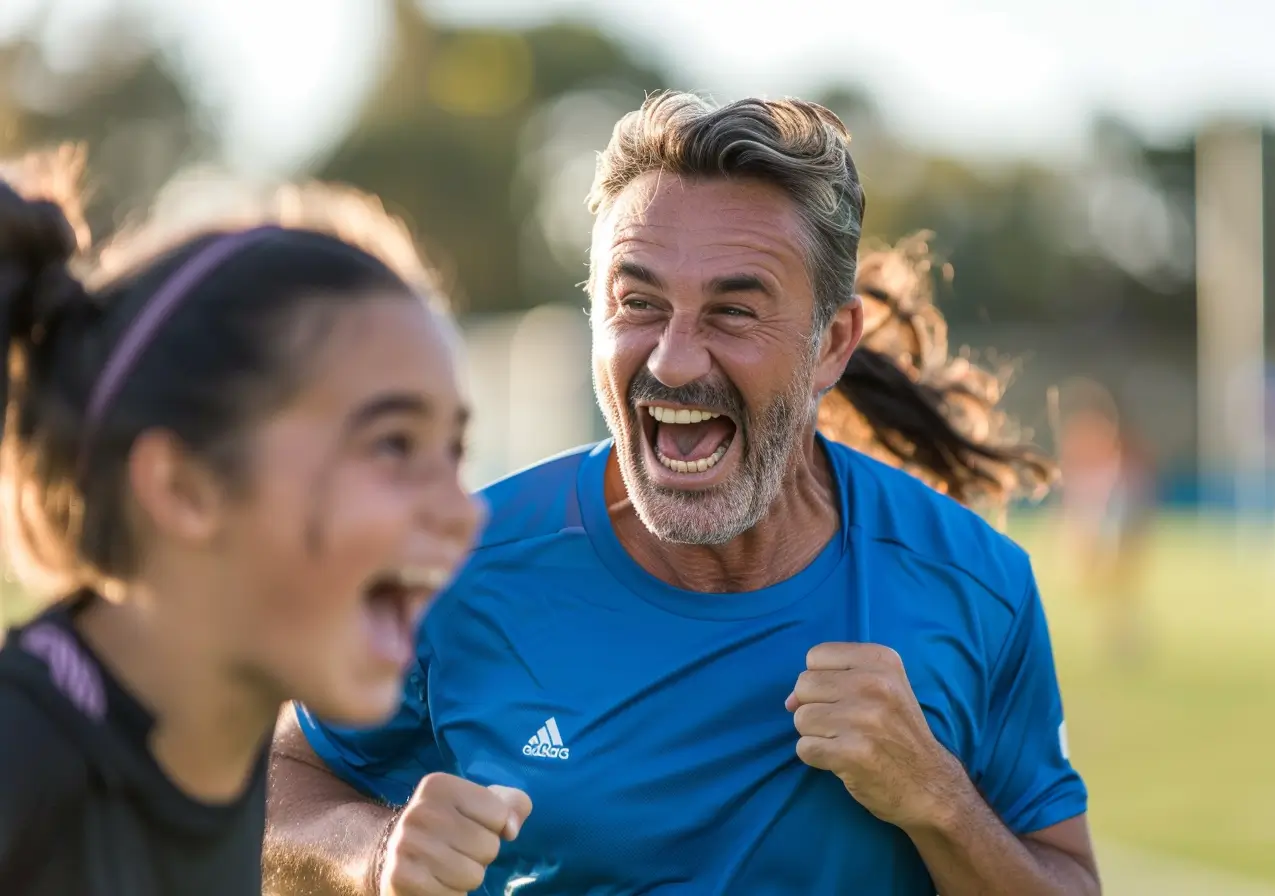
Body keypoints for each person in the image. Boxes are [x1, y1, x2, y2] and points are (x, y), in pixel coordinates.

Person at [264, 92, 1100, 896]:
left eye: (734, 312)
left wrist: (942, 804)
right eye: (639, 302)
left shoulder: (978, 586)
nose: (673, 359)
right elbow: (277, 787)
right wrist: (371, 856)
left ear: (831, 344)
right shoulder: (456, 567)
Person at [0, 147, 529, 895]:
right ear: (184, 486)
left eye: (454, 451)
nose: (462, 513)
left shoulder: (215, 760)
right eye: (392, 445)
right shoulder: (24, 775)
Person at [1054, 378, 1154, 663]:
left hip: (1110, 520)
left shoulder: (1117, 452)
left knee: (1116, 586)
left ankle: (1122, 637)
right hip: (1097, 519)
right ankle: (1118, 636)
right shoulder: (1088, 445)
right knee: (1101, 584)